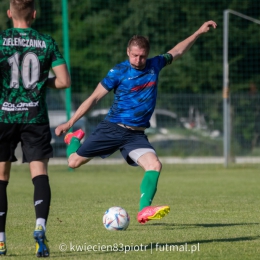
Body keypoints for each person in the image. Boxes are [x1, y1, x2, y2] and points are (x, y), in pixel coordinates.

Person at [55, 20, 217, 225]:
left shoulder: (154, 65)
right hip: (112, 128)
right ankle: (74, 140)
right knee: (73, 162)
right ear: (127, 52)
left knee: (155, 165)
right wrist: (69, 123)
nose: (138, 60)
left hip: (135, 135)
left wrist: (198, 32)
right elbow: (94, 98)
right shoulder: (118, 72)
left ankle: (144, 210)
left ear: (147, 54)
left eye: (142, 56)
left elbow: (177, 51)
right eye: (134, 55)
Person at [0, 0, 71, 257]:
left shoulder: (1, 40)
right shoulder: (47, 42)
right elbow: (64, 81)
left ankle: (0, 239)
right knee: (39, 174)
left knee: (1, 177)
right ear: (34, 14)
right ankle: (40, 227)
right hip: (35, 115)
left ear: (9, 14)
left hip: (4, 116)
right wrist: (42, 82)